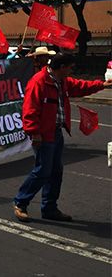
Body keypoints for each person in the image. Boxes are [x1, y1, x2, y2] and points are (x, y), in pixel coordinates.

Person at [13, 53, 112, 222]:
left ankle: (50, 208)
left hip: (56, 132)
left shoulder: (62, 81)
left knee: (56, 172)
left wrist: (102, 84)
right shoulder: (39, 82)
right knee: (43, 171)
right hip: (43, 134)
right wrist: (34, 132)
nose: (72, 70)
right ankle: (20, 203)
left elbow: (80, 86)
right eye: (70, 67)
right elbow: (30, 110)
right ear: (62, 67)